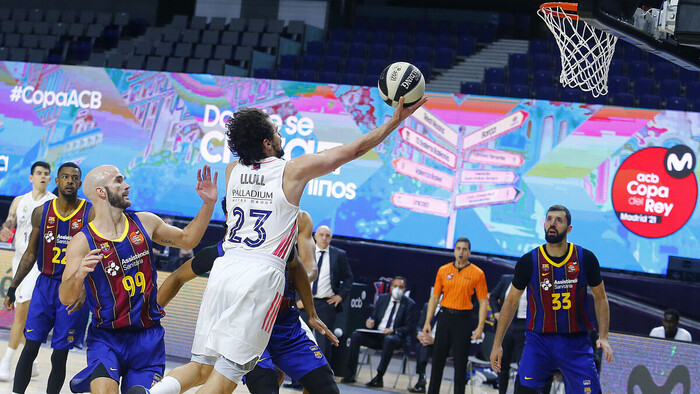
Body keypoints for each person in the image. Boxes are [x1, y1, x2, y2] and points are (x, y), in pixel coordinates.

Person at [172, 96, 426, 394]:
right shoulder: (291, 171)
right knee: (229, 381)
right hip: (260, 278)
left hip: (227, 274)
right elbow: (354, 150)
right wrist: (396, 120)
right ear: (267, 143)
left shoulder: (232, 171)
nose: (281, 134)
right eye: (276, 131)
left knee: (204, 370)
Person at [139, 206, 339, 394]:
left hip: (285, 325)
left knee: (325, 386)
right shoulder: (222, 252)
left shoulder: (279, 239)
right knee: (253, 380)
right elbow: (177, 277)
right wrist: (150, 315)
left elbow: (301, 268)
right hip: (248, 326)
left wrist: (311, 313)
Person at [59, 164, 218, 393]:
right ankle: (97, 374)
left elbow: (187, 239)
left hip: (147, 338)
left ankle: (94, 375)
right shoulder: (82, 242)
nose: (127, 185)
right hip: (107, 338)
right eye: (119, 181)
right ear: (102, 192)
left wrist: (208, 204)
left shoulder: (144, 222)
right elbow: (66, 298)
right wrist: (78, 276)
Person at [490, 205, 614, 394]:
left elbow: (601, 298)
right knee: (524, 390)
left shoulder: (585, 258)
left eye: (559, 220)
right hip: (539, 341)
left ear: (569, 229)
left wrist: (603, 336)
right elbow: (511, 302)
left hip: (576, 343)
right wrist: (497, 343)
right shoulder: (529, 261)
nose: (552, 224)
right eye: (549, 219)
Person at [4, 162, 91, 394]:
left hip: (72, 288)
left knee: (59, 354)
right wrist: (13, 287)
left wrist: (86, 288)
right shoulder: (41, 212)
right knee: (30, 346)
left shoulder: (90, 213)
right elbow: (31, 253)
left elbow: (100, 254)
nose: (70, 181)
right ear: (58, 181)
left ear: (80, 183)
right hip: (45, 285)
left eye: (74, 178)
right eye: (65, 177)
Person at [0, 161, 55, 380]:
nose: (43, 176)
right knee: (24, 316)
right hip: (18, 261)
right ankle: (31, 362)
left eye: (46, 174)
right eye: (39, 173)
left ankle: (6, 363)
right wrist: (4, 231)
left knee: (21, 314)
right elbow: (8, 224)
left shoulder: (53, 203)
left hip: (38, 265)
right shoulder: (18, 201)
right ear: (31, 177)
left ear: (50, 179)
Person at [422, 237, 488, 394]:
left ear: (469, 252)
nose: (461, 252)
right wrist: (427, 321)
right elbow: (435, 297)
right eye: (458, 248)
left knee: (460, 363)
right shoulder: (443, 270)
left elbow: (483, 302)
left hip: (463, 320)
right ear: (454, 251)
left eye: (464, 249)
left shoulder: (477, 273)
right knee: (437, 361)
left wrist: (480, 326)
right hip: (445, 318)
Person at [342, 276, 417, 388]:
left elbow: (410, 327)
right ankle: (350, 373)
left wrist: (394, 330)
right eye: (395, 286)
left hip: (396, 338)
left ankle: (379, 377)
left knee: (389, 339)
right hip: (377, 335)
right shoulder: (383, 299)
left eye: (401, 287)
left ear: (405, 290)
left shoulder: (409, 304)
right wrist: (370, 322)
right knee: (356, 336)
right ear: (391, 287)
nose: (397, 289)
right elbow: (374, 317)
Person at [305, 225, 353, 364]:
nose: (324, 238)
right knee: (300, 341)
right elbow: (295, 276)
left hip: (326, 304)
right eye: (321, 235)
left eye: (328, 235)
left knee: (323, 343)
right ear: (315, 236)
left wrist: (340, 296)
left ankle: (320, 379)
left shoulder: (338, 255)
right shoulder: (306, 251)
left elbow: (349, 278)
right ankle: (298, 379)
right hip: (305, 303)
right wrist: (297, 298)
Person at [489, 273, 527, 394]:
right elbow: (493, 296)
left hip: (525, 326)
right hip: (507, 326)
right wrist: (496, 313)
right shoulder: (506, 279)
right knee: (503, 363)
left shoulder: (534, 283)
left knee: (522, 364)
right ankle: (501, 391)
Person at [408, 301, 440, 393]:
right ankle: (422, 378)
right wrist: (419, 335)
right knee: (422, 345)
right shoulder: (428, 306)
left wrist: (435, 340)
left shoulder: (450, 311)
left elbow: (452, 334)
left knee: (424, 345)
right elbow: (419, 326)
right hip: (426, 342)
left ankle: (425, 384)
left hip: (442, 343)